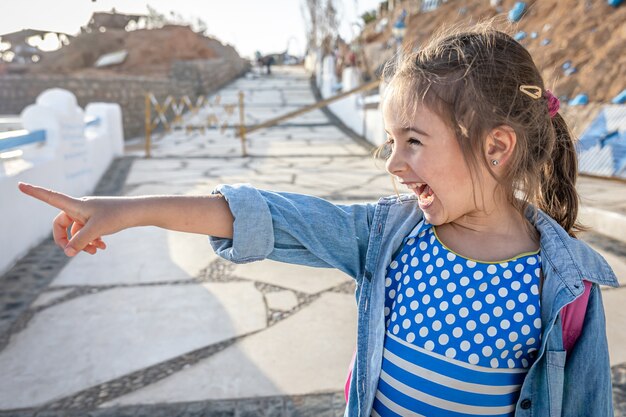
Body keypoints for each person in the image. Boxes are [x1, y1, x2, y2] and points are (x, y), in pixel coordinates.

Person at [19, 25, 618, 416]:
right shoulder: (387, 238)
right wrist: (125, 211)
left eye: (413, 141)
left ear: (495, 147)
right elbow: (270, 216)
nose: (392, 162)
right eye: (390, 140)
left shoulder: (565, 287)